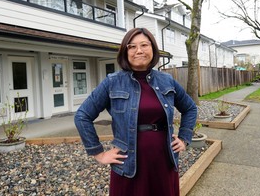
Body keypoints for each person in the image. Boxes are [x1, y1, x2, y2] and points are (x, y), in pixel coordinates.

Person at [74, 27, 197, 196]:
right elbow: (82, 116)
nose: (139, 50)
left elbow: (190, 108)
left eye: (144, 45)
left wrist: (184, 137)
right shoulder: (113, 82)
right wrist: (98, 153)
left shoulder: (167, 80)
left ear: (152, 49)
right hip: (128, 165)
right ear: (126, 52)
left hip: (164, 161)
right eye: (132, 46)